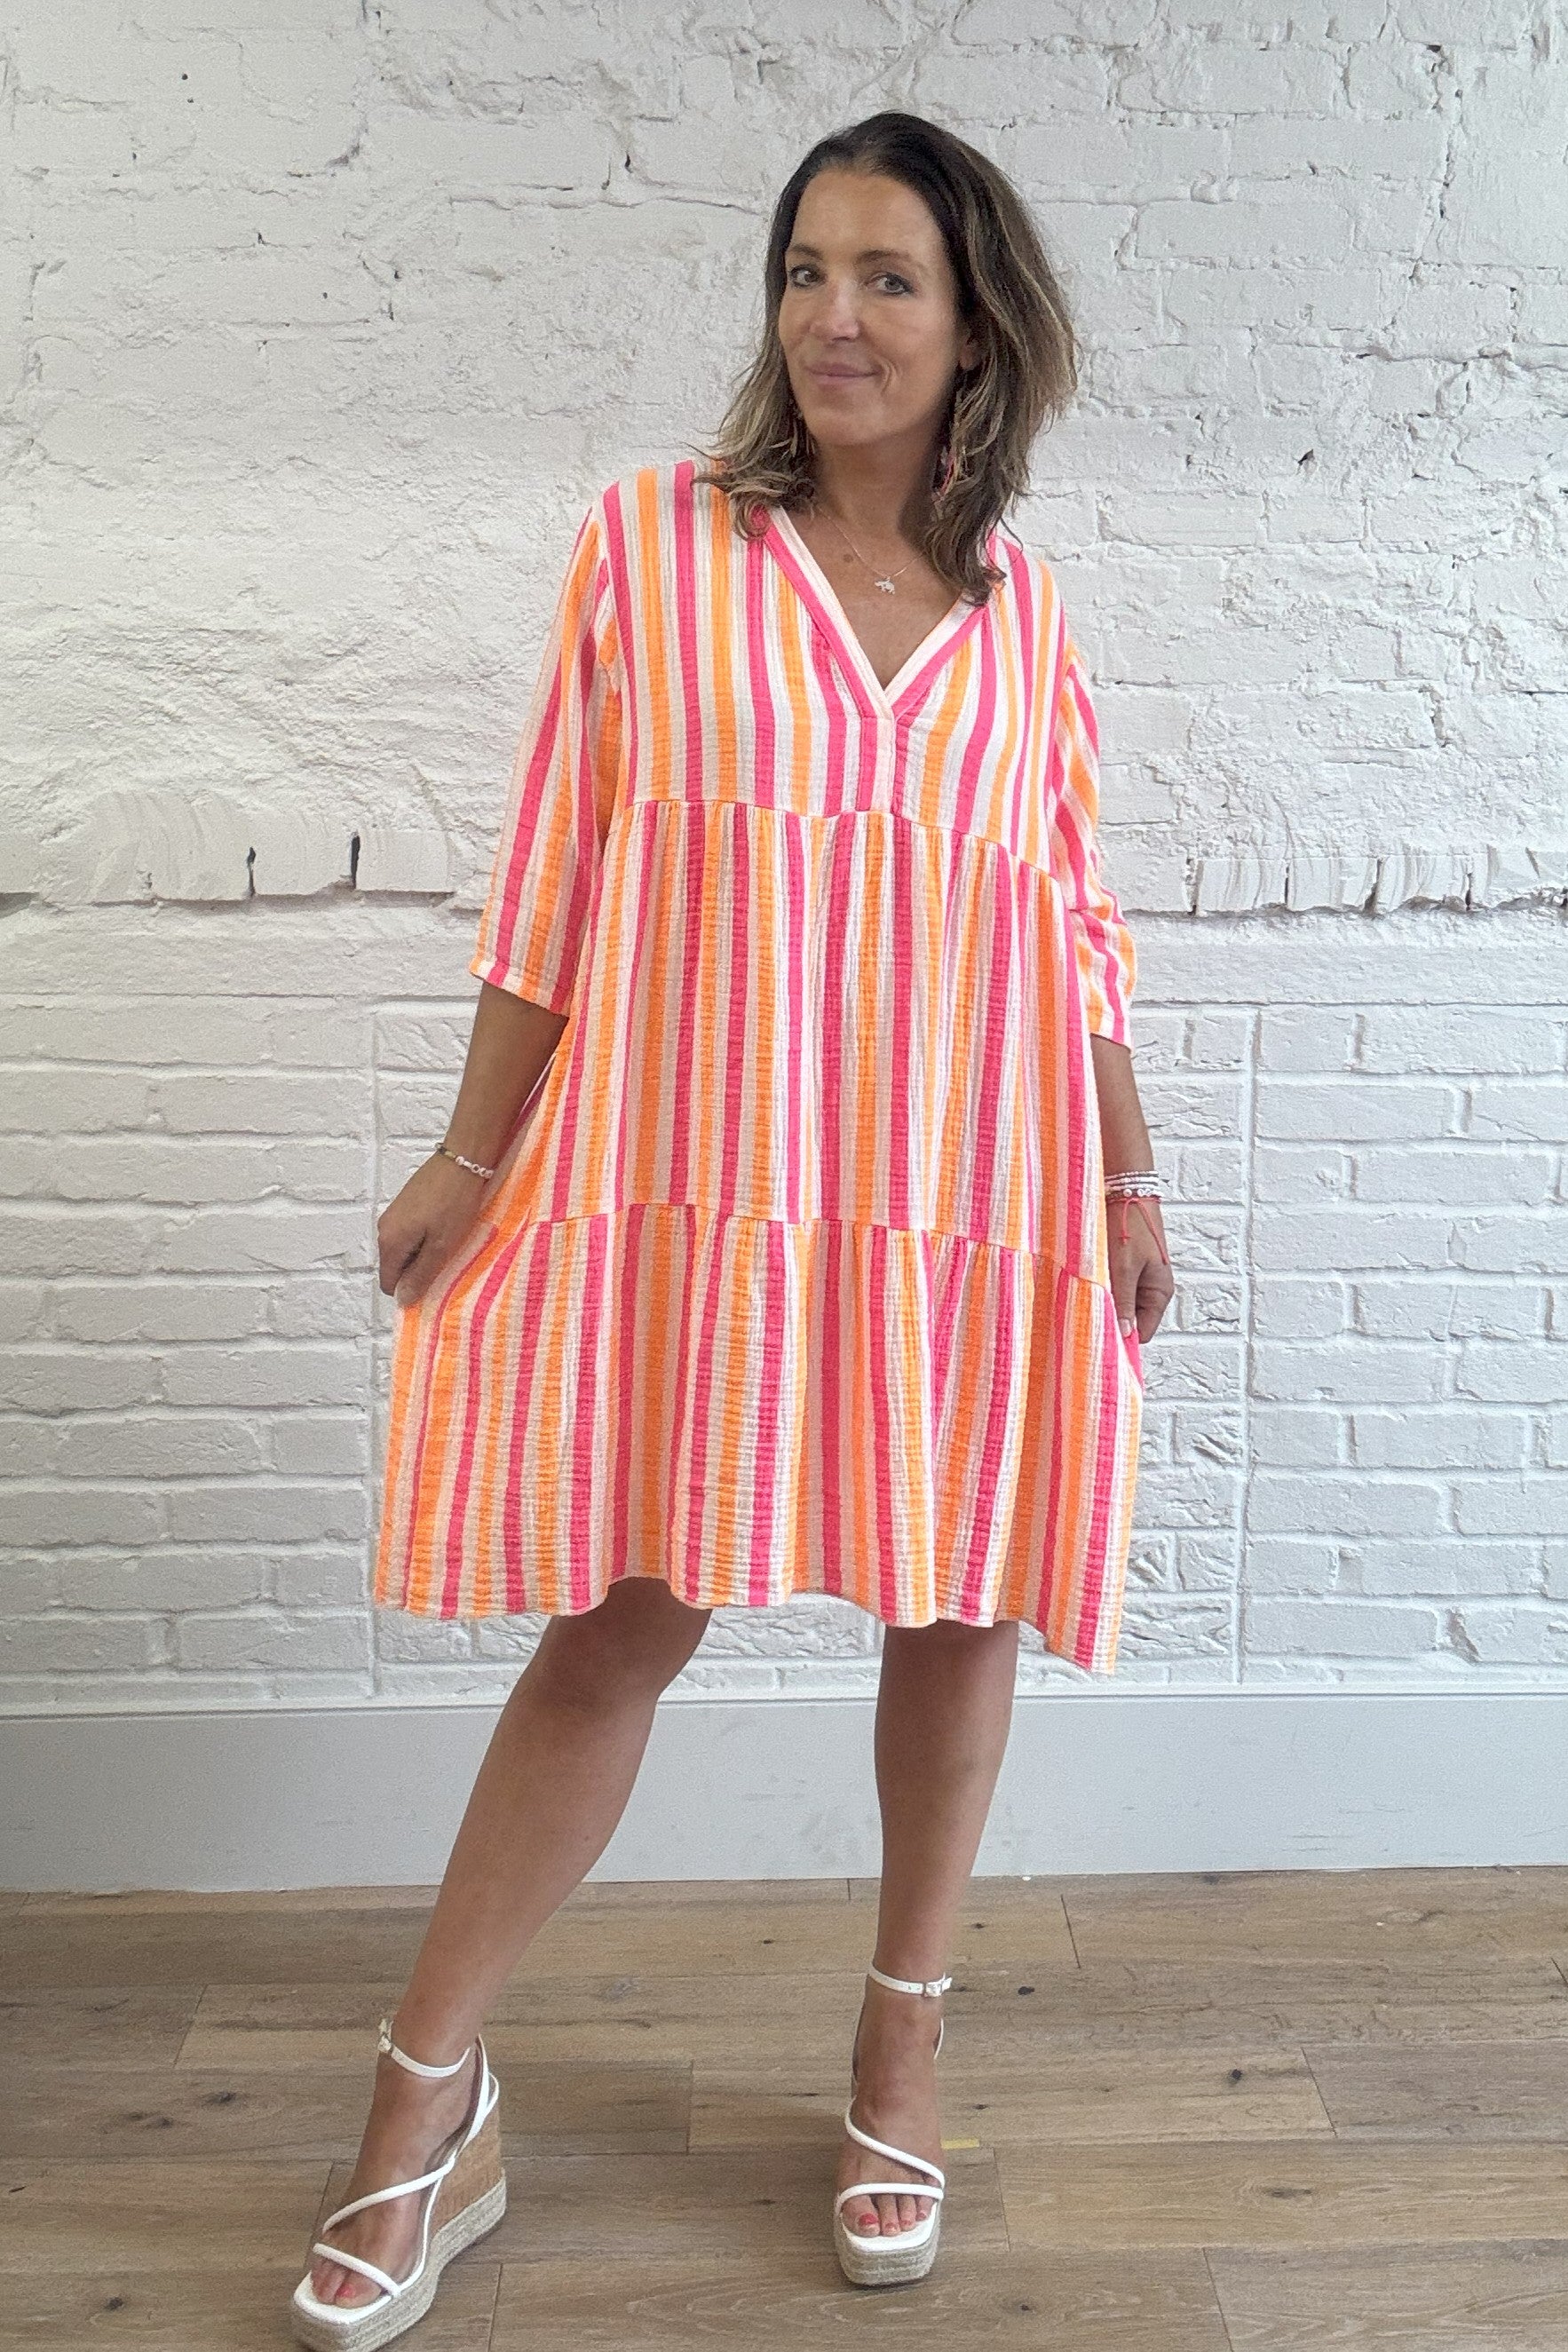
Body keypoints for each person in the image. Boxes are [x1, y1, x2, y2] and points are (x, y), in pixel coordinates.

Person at [290, 108, 1173, 2347]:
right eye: (803, 269)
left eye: (885, 276)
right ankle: (426, 2096)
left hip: (963, 1194)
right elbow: (553, 874)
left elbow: (1068, 926)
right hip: (711, 1184)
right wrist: (473, 1151)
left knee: (956, 1598)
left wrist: (1126, 1171)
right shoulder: (653, 545)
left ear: (975, 326)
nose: (830, 316)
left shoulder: (1024, 620)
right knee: (620, 1620)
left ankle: (900, 2044)